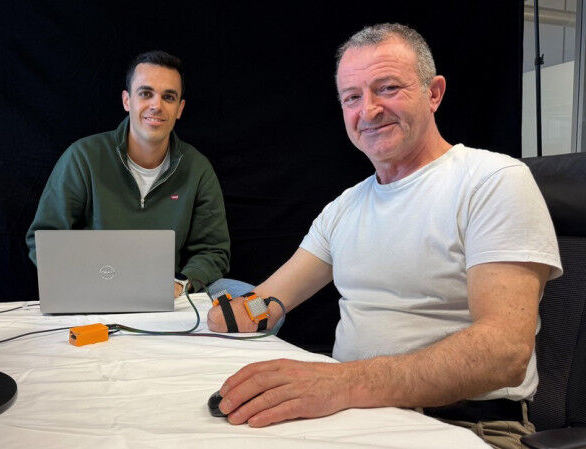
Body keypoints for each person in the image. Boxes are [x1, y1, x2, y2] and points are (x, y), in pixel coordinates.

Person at [206, 23, 562, 449]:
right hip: (352, 420)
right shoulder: (344, 209)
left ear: (434, 93)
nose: (368, 111)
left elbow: (504, 352)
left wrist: (339, 383)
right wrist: (236, 311)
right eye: (352, 97)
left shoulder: (492, 181)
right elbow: (270, 301)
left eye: (388, 88)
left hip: (467, 428)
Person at [27, 50, 236, 297]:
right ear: (127, 101)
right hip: (95, 293)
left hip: (169, 295)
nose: (156, 105)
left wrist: (181, 283)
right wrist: (89, 282)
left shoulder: (198, 168)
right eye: (146, 93)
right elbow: (44, 240)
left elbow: (213, 251)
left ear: (179, 109)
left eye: (168, 97)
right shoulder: (83, 157)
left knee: (251, 300)